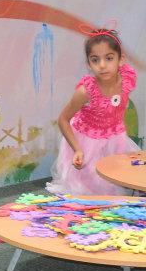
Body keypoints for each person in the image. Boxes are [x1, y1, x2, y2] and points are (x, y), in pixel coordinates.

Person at [47, 29, 138, 196]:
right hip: (87, 141)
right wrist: (77, 149)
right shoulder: (86, 91)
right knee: (92, 189)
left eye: (109, 58)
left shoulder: (127, 79)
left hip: (114, 137)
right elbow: (63, 119)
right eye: (95, 60)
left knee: (115, 182)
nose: (102, 65)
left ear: (121, 59)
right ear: (89, 64)